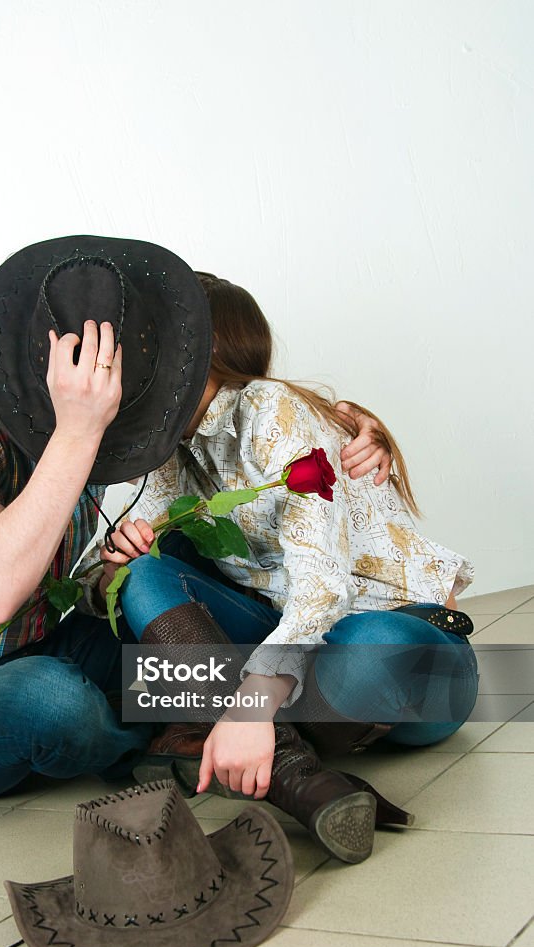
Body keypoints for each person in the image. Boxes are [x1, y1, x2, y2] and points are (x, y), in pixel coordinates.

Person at [0, 240, 390, 805]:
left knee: (169, 592)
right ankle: (190, 745)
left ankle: (254, 734)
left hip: (54, 646)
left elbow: (227, 435)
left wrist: (344, 425)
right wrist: (77, 429)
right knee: (54, 699)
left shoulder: (96, 438)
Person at [89, 272, 479, 864]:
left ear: (203, 350)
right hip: (291, 657)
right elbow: (103, 574)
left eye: (153, 344)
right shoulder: (171, 448)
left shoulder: (271, 409)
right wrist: (112, 560)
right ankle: (298, 771)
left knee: (367, 646)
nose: (136, 364)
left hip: (403, 648)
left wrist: (247, 704)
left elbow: (324, 587)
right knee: (144, 576)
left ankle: (223, 720)